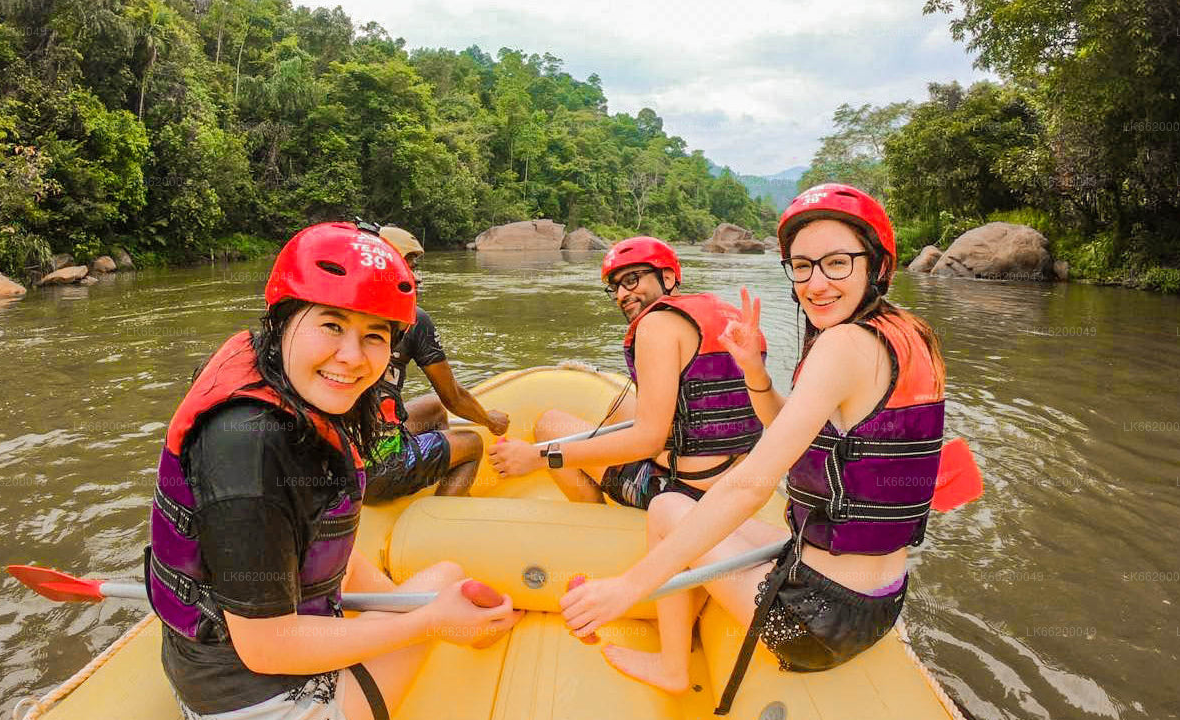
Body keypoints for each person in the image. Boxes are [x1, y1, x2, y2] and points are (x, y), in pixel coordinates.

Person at [559, 185, 947, 715]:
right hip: (880, 602)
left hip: (815, 621)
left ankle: (672, 667)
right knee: (693, 513)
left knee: (669, 505)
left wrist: (628, 588)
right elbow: (799, 432)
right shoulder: (911, 334)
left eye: (837, 263)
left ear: (876, 266)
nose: (816, 284)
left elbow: (750, 487)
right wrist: (754, 373)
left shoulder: (842, 345)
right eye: (803, 267)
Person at [144, 222, 521, 720]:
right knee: (441, 592)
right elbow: (267, 648)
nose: (351, 357)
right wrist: (429, 621)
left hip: (224, 666)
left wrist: (401, 605)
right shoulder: (249, 447)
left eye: (374, 335)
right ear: (284, 319)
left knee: (444, 579)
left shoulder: (280, 381)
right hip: (257, 700)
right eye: (331, 325)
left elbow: (326, 543)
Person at [487, 236, 769, 692]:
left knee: (549, 424)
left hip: (683, 492)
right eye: (616, 286)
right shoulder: (724, 313)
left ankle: (597, 522)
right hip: (731, 485)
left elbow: (648, 438)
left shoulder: (656, 326)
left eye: (633, 279)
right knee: (618, 414)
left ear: (669, 278)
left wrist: (537, 457)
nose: (622, 293)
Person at [362, 225, 510, 503]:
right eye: (409, 266)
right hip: (375, 470)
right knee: (473, 444)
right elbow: (453, 397)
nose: (417, 277)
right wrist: (490, 421)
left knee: (433, 407)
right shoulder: (414, 320)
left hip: (345, 458)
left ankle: (442, 471)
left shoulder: (340, 316)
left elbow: (443, 402)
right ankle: (442, 513)